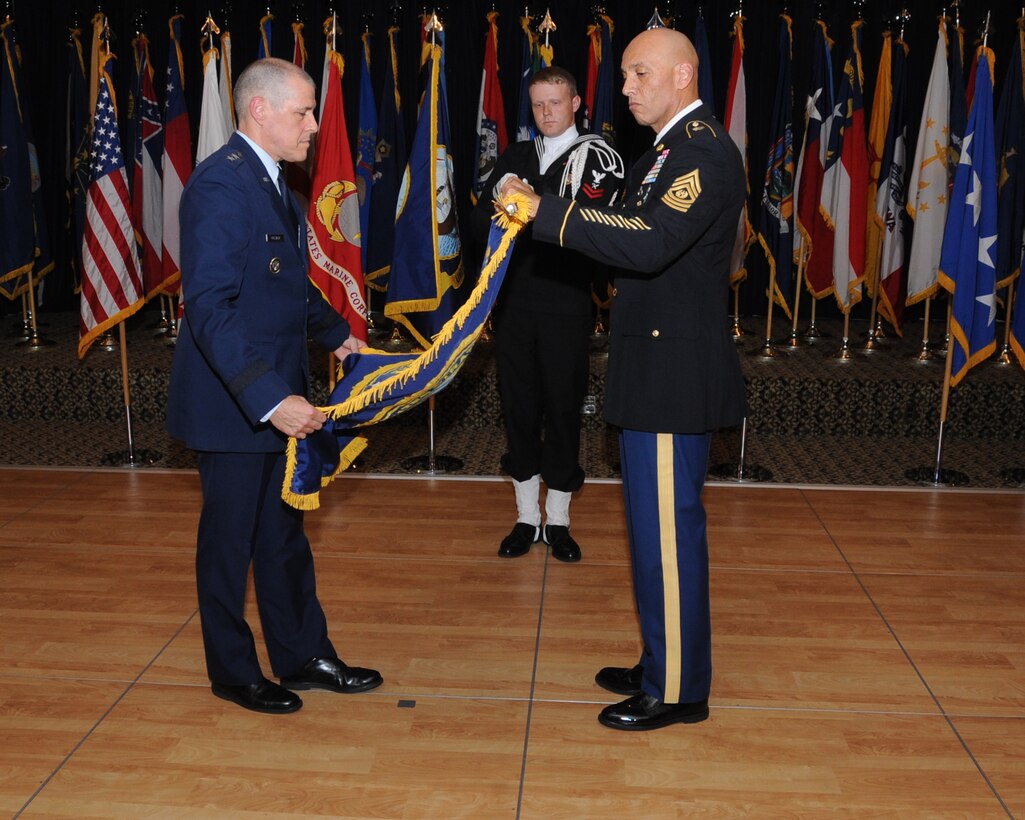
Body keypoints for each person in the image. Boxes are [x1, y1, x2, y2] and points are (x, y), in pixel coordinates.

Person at [502, 28, 747, 730]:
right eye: (627, 74)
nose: (627, 86)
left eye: (641, 73)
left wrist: (542, 212)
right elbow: (623, 226)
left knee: (668, 537)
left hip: (673, 375)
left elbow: (648, 242)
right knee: (650, 534)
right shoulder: (663, 152)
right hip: (650, 366)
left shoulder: (702, 152)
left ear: (683, 75)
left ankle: (678, 690)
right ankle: (660, 659)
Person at [166, 58, 381, 715]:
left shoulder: (272, 182)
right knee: (229, 546)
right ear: (259, 110)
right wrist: (269, 398)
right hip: (237, 405)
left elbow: (288, 284)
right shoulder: (220, 186)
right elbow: (210, 308)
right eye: (303, 112)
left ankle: (302, 655)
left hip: (280, 395)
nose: (313, 126)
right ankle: (233, 672)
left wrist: (338, 336)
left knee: (283, 538)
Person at [472, 66, 623, 563]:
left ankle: (557, 519)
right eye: (538, 104)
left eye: (555, 102)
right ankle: (525, 517)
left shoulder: (598, 157)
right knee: (518, 407)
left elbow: (592, 226)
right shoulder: (516, 155)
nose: (546, 112)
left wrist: (528, 200)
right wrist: (504, 195)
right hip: (515, 303)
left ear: (576, 103)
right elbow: (480, 219)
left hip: (566, 302)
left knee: (562, 407)